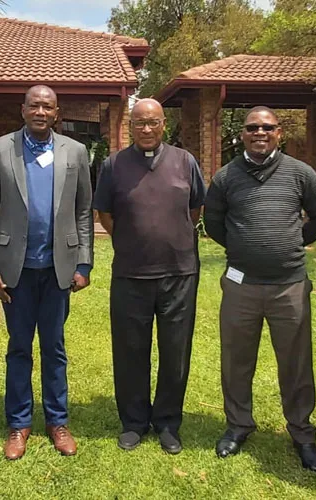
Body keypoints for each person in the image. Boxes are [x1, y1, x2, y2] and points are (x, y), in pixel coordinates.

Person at [203, 107, 316, 471]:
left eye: (267, 127)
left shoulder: (299, 173)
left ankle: (302, 432)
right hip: (241, 286)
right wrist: (243, 247)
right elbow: (213, 222)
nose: (260, 132)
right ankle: (238, 424)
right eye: (252, 127)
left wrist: (293, 242)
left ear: (280, 132)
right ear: (241, 134)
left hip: (289, 286)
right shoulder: (226, 177)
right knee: (237, 361)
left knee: (296, 363)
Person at [0, 85, 93, 460]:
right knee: (19, 347)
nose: (41, 111)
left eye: (48, 106)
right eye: (34, 105)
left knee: (55, 348)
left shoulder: (74, 152)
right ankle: (18, 424)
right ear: (23, 110)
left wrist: (84, 262)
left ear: (56, 112)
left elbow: (83, 210)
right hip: (16, 269)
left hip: (59, 267)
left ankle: (57, 421)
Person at [94, 98, 205, 454]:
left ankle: (168, 422)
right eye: (139, 123)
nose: (146, 129)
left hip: (179, 273)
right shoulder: (113, 165)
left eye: (152, 123)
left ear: (163, 125)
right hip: (130, 274)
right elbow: (106, 215)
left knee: (176, 351)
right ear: (130, 125)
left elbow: (195, 208)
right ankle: (133, 422)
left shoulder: (185, 161)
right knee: (130, 351)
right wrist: (132, 240)